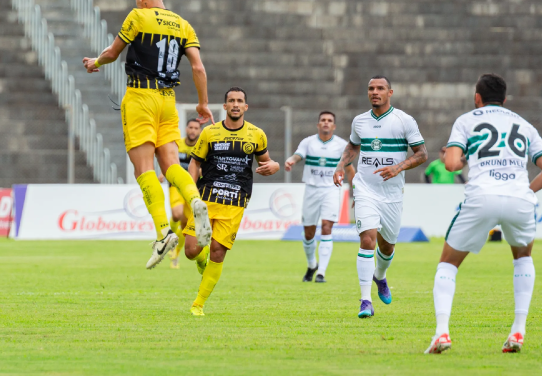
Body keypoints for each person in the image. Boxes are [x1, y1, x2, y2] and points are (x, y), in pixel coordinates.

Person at [83, 0, 214, 270]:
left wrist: (95, 62)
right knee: (171, 167)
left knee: (144, 169)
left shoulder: (138, 15)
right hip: (168, 101)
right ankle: (194, 200)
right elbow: (198, 66)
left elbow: (113, 53)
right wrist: (203, 104)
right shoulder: (183, 24)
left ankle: (163, 232)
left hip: (141, 97)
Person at [424, 74, 542, 354]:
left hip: (482, 196)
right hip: (519, 198)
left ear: (477, 97)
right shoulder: (524, 124)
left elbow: (450, 165)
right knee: (522, 257)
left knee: (447, 264)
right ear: (505, 99)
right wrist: (527, 192)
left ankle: (441, 333)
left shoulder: (466, 120)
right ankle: (518, 332)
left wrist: (465, 156)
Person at [333, 76, 428, 318]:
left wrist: (398, 168)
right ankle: (365, 301)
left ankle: (381, 276)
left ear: (390, 92)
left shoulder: (404, 121)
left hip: (392, 195)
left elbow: (422, 154)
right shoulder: (360, 121)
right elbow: (353, 146)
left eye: (380, 88)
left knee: (387, 247)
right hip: (365, 189)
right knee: (367, 240)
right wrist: (340, 166)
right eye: (371, 88)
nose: (375, 92)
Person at [182, 87, 279, 316]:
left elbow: (267, 161)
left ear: (246, 107)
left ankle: (198, 304)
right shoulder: (209, 133)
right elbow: (195, 163)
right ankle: (200, 258)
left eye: (240, 101)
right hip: (205, 199)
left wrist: (273, 165)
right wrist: (191, 193)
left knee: (218, 251)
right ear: (224, 106)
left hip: (235, 201)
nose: (235, 104)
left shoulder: (256, 134)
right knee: (190, 251)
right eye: (231, 101)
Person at [284, 111, 355, 283]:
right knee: (308, 233)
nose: (326, 123)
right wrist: (292, 160)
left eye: (329, 120)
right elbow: (298, 154)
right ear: (318, 124)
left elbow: (350, 170)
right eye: (323, 120)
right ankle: (311, 265)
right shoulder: (308, 142)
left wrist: (356, 193)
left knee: (326, 227)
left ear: (334, 126)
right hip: (311, 189)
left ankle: (321, 272)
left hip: (331, 190)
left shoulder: (341, 145)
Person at [166, 118, 202, 269]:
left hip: (193, 189)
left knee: (186, 228)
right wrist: (164, 172)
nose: (193, 130)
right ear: (186, 129)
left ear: (199, 131)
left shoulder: (202, 147)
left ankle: (176, 252)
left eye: (196, 128)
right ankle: (168, 239)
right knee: (176, 214)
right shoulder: (177, 144)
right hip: (176, 186)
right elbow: (167, 160)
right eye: (191, 127)